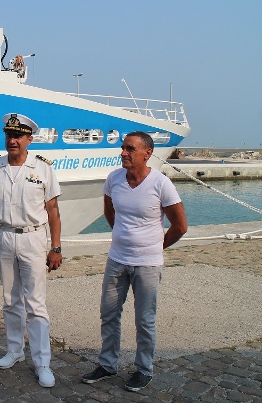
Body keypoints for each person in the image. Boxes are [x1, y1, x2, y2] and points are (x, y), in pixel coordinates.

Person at [81, 131, 187, 392]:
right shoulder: (114, 179)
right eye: (123, 148)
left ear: (147, 153)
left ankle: (144, 369)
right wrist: (122, 235)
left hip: (148, 264)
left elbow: (180, 226)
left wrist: (155, 247)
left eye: (130, 149)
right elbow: (109, 210)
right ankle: (107, 365)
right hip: (117, 259)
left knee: (144, 320)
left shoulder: (161, 184)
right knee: (109, 314)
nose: (123, 153)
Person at [0, 113, 62, 388]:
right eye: (9, 135)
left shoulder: (43, 168)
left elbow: (53, 211)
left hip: (33, 238)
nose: (12, 140)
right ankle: (15, 349)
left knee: (36, 304)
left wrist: (56, 247)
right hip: (5, 236)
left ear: (29, 139)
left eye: (18, 136)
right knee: (10, 299)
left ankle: (42, 362)